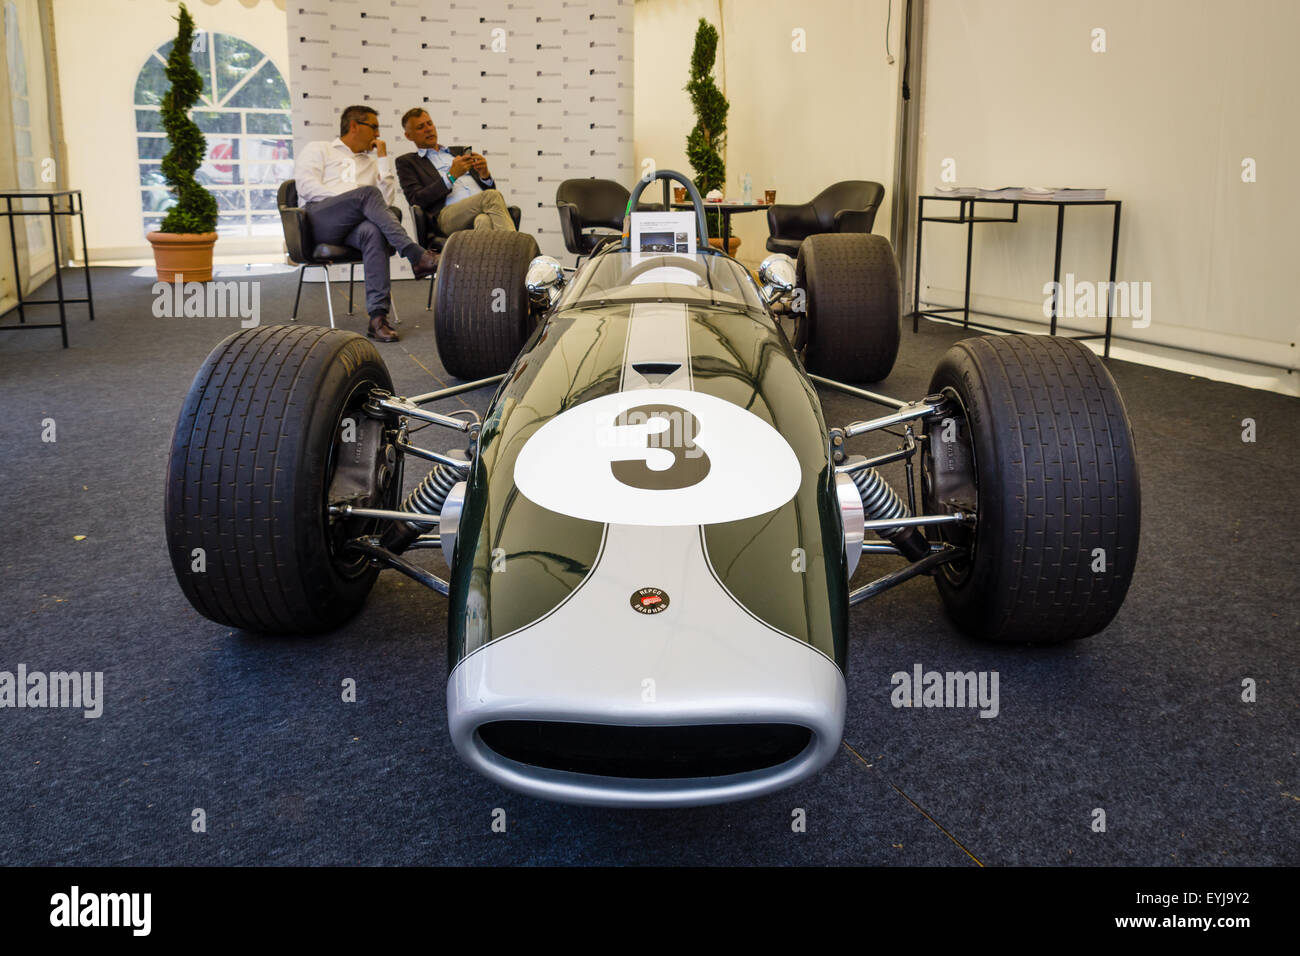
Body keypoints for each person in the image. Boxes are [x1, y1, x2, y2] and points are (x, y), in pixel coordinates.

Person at [294, 104, 438, 343]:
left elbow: (387, 202)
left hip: (354, 227)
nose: (377, 135)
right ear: (354, 126)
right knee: (367, 195)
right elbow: (306, 187)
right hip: (319, 220)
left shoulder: (370, 164)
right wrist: (351, 200)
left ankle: (377, 318)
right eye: (374, 128)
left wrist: (382, 159)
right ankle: (416, 255)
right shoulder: (319, 149)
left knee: (373, 230)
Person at [396, 108, 516, 235]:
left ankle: (492, 254)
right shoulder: (408, 162)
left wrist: (484, 176)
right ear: (409, 136)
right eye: (420, 127)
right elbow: (416, 200)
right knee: (491, 196)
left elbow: (488, 189)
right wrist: (451, 177)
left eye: (429, 124)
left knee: (483, 221)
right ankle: (517, 249)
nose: (428, 129)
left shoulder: (459, 151)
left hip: (480, 210)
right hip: (447, 217)